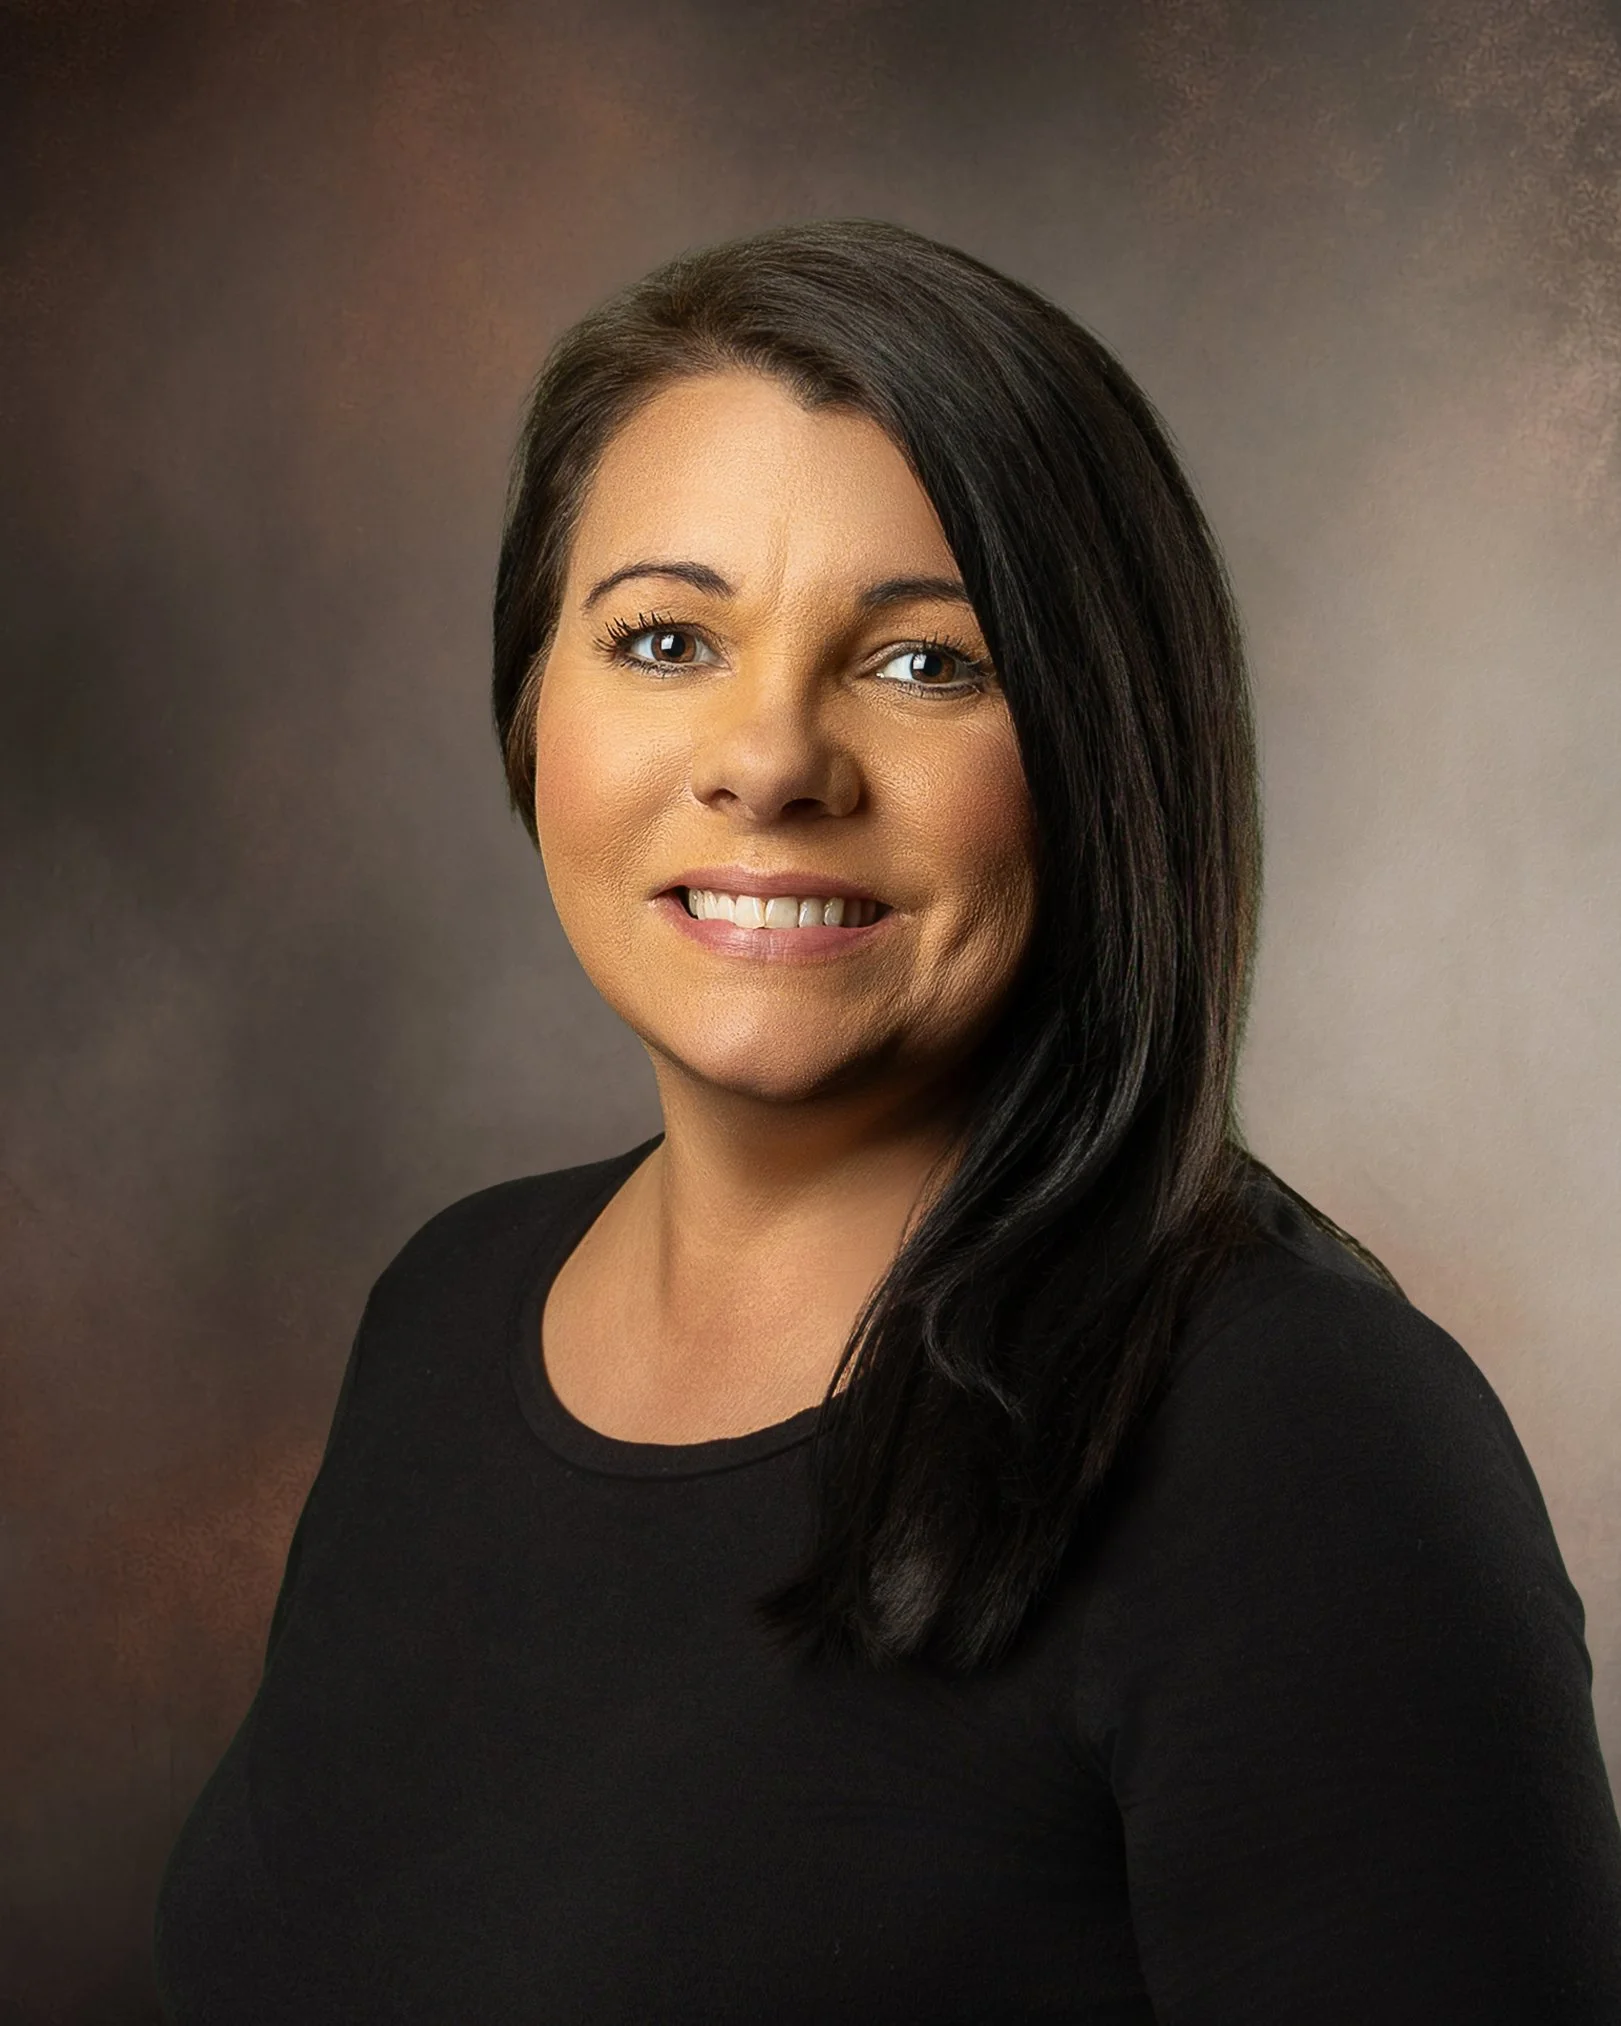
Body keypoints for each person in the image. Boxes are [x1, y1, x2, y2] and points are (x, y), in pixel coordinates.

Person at [153, 219, 1621, 2022]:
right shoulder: (444, 1310)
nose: (770, 760)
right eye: (668, 637)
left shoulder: (1304, 1448)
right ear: (532, 705)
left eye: (927, 663)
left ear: (1102, 747)